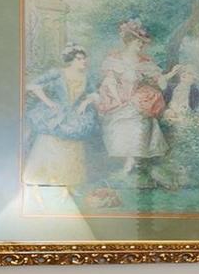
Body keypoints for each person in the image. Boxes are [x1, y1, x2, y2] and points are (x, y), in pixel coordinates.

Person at [95, 18, 175, 181]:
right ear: (130, 41)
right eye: (139, 42)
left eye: (143, 43)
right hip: (119, 100)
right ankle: (130, 163)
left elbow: (160, 82)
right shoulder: (114, 60)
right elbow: (109, 81)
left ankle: (133, 163)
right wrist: (118, 99)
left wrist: (171, 74)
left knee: (140, 123)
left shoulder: (145, 63)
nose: (141, 45)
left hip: (137, 101)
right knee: (118, 125)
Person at [22, 45, 99, 188]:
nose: (84, 61)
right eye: (79, 59)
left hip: (75, 115)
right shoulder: (57, 73)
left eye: (84, 58)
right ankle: (46, 179)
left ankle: (70, 181)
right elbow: (32, 85)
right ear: (71, 60)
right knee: (51, 144)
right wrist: (48, 102)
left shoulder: (86, 76)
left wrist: (85, 103)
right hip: (56, 114)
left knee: (73, 145)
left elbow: (94, 94)